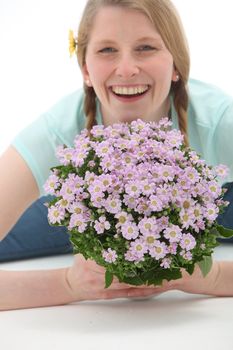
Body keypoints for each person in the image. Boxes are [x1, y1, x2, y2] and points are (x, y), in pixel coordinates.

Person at [0, 0, 233, 311]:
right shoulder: (57, 131)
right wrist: (70, 283)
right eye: (107, 50)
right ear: (85, 69)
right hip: (99, 217)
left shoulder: (219, 120)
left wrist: (214, 276)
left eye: (146, 47)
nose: (126, 69)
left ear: (176, 65)